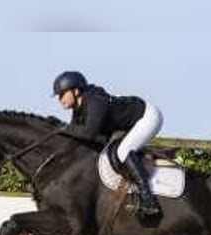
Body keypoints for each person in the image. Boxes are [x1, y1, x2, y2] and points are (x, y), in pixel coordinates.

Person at [52, 70, 162, 216]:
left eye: (62, 94)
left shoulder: (95, 101)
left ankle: (149, 201)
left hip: (147, 117)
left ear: (76, 91)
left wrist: (63, 128)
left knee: (123, 151)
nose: (60, 99)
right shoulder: (79, 109)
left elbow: (89, 133)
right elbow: (79, 138)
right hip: (130, 124)